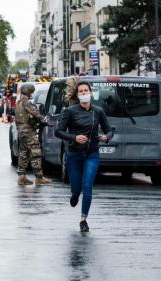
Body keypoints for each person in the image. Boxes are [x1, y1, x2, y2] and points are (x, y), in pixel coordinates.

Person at [55, 81, 113, 232]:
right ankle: (75, 194)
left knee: (87, 186)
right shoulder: (70, 111)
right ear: (77, 94)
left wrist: (106, 137)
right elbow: (58, 131)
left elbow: (109, 130)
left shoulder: (98, 111)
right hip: (74, 154)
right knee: (76, 188)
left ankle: (83, 219)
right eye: (80, 91)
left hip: (92, 153)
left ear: (91, 93)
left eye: (86, 90)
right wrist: (74, 138)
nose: (83, 93)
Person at [15, 83, 52, 186]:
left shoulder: (18, 102)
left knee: (23, 153)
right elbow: (36, 114)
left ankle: (21, 177)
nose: (32, 94)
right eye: (31, 92)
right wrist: (46, 122)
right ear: (28, 92)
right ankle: (39, 178)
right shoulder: (26, 102)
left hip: (21, 132)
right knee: (35, 153)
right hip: (29, 132)